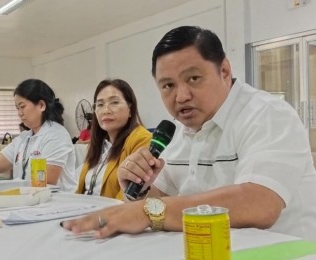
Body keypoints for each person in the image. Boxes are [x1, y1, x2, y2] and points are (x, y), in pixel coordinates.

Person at [62, 26, 316, 242]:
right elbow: (164, 198)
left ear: (224, 71)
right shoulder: (179, 133)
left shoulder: (267, 114)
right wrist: (141, 191)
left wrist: (147, 212)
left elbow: (259, 204)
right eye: (168, 86)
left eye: (193, 78)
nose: (181, 96)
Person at [76, 79, 151, 199]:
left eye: (114, 102)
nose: (106, 110)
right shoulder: (98, 144)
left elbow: (130, 195)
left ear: (130, 109)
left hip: (113, 214)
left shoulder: (141, 139)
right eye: (100, 104)